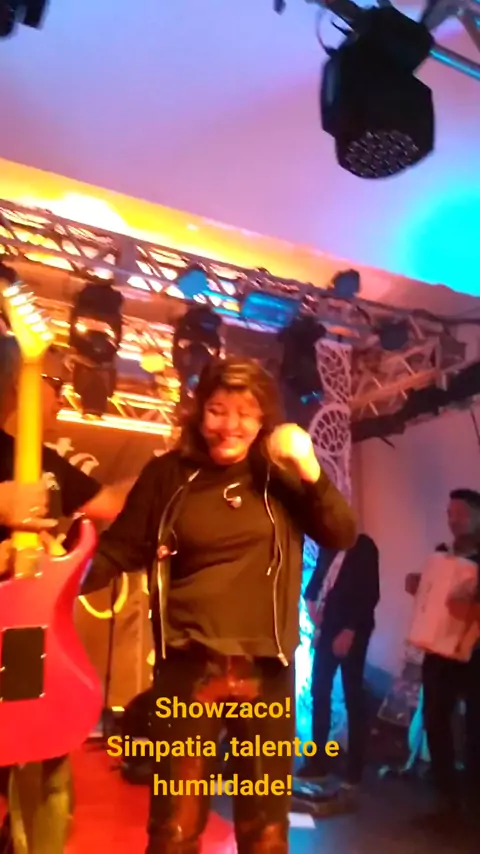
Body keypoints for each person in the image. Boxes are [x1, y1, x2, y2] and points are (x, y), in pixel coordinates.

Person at [81, 356, 357, 854]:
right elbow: (120, 549)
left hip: (266, 672)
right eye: (217, 410)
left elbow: (342, 533)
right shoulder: (169, 475)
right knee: (174, 829)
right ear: (198, 411)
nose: (230, 425)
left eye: (245, 413)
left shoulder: (279, 477)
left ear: (263, 419)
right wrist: (57, 580)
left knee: (265, 831)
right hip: (189, 669)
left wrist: (310, 468)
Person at [0, 332, 134, 854]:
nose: (61, 394)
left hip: (25, 645)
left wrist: (174, 468)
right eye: (54, 381)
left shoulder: (42, 462)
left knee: (46, 770)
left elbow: (110, 502)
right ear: (19, 382)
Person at [405, 488, 480, 830]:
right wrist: (419, 585)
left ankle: (473, 807)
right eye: (449, 514)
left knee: (475, 730)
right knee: (435, 720)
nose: (453, 520)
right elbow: (432, 599)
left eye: (460, 514)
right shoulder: (441, 555)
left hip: (474, 654)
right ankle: (447, 803)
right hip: (439, 653)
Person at [297, 534, 379, 807]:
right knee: (319, 690)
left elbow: (370, 593)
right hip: (328, 626)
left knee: (353, 694)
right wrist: (311, 603)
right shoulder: (329, 547)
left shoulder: (363, 547)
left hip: (351, 630)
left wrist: (350, 630)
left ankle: (355, 768)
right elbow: (318, 581)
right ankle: (318, 760)